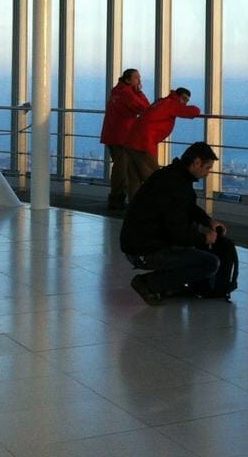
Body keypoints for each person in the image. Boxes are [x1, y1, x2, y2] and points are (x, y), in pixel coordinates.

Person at [120, 141, 235, 305]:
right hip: (144, 251)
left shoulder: (173, 176)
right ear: (196, 163)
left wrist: (208, 221)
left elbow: (187, 206)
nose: (207, 173)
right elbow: (177, 232)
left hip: (137, 244)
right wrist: (204, 239)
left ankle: (171, 285)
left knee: (191, 245)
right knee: (210, 263)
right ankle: (149, 283)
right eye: (207, 168)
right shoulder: (177, 185)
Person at [123, 87, 202, 199]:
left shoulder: (161, 101)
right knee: (155, 178)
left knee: (134, 178)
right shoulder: (172, 104)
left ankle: (133, 208)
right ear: (177, 96)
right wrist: (194, 109)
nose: (184, 103)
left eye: (186, 101)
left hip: (131, 140)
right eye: (183, 99)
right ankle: (157, 208)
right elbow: (193, 111)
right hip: (144, 143)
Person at [99, 68, 150, 210]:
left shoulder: (117, 91)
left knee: (121, 167)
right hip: (122, 136)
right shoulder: (128, 93)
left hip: (112, 134)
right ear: (128, 80)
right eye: (136, 78)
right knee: (122, 168)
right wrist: (139, 92)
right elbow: (145, 107)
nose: (139, 81)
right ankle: (117, 199)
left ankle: (118, 198)